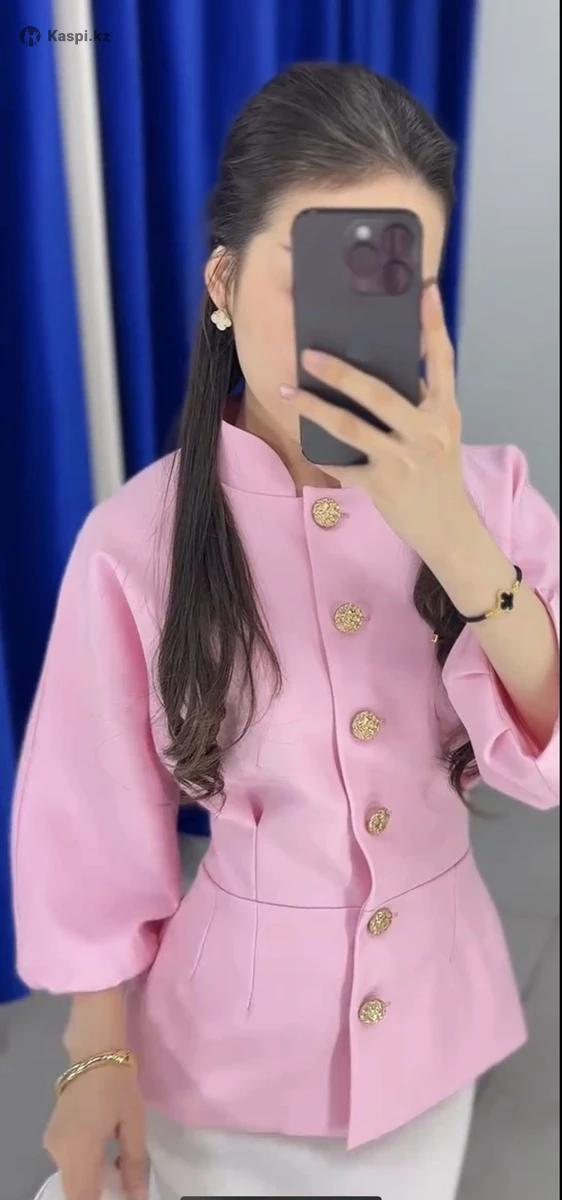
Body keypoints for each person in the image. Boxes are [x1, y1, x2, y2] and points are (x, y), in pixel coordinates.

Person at [11, 63, 559, 1200]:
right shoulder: (136, 541)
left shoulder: (495, 501)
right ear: (222, 279)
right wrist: (94, 1057)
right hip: (226, 1065)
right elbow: (89, 829)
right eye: (313, 271)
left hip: (433, 1037)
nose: (342, 324)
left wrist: (454, 538)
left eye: (390, 276)